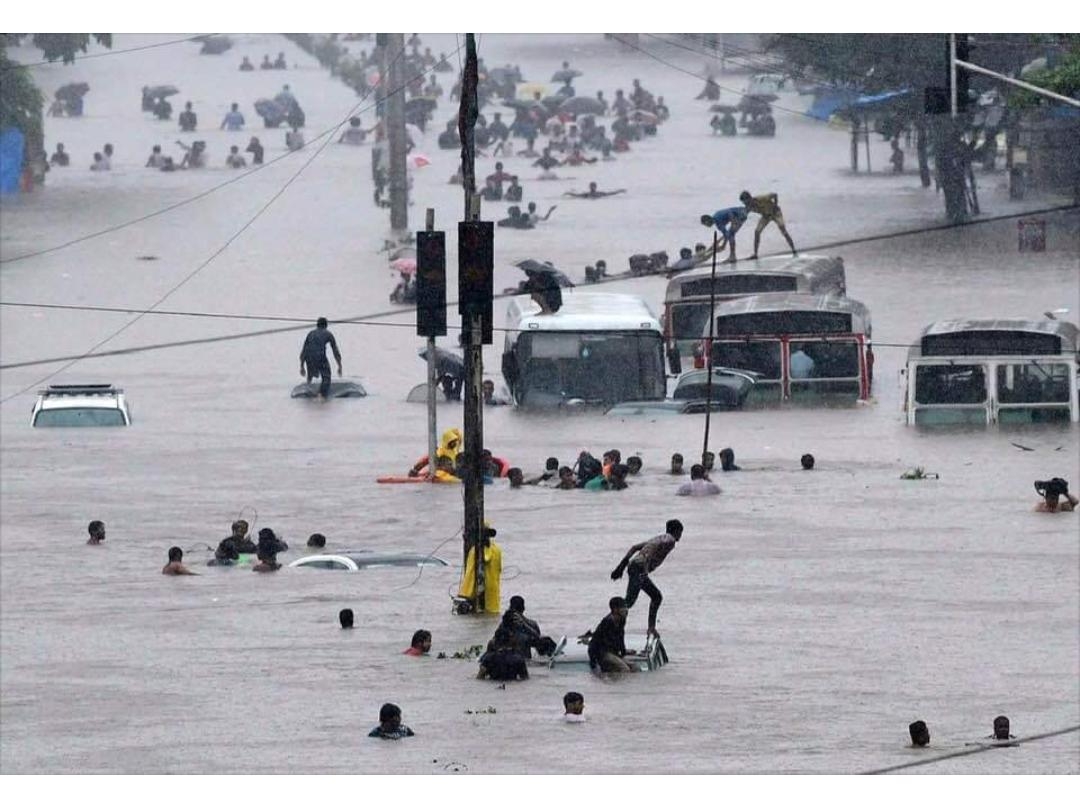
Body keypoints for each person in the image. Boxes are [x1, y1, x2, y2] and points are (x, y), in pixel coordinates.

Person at [609, 519, 683, 635]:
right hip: (639, 569)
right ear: (677, 531)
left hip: (635, 567)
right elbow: (650, 552)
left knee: (650, 598)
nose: (680, 536)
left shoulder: (658, 538)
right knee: (630, 602)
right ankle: (607, 626)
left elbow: (634, 547)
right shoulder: (670, 540)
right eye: (680, 532)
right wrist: (645, 569)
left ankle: (650, 628)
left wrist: (621, 566)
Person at [739, 190, 797, 259]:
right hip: (765, 216)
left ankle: (793, 249)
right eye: (744, 203)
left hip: (776, 213)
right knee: (757, 232)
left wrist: (775, 205)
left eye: (746, 202)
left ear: (750, 198)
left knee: (783, 229)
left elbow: (775, 194)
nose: (746, 204)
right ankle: (755, 254)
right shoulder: (748, 207)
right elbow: (744, 215)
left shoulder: (761, 198)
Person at [457, 526, 502, 613]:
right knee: (492, 612)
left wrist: (465, 593)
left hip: (480, 589)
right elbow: (499, 569)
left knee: (480, 612)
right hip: (493, 587)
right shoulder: (497, 550)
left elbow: (470, 573)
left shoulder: (476, 550)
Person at [299, 317, 343, 400]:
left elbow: (304, 350)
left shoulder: (310, 333)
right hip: (320, 356)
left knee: (310, 375)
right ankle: (321, 396)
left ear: (317, 325)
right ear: (326, 325)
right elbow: (335, 351)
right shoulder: (328, 334)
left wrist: (302, 366)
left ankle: (307, 390)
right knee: (326, 377)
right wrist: (339, 366)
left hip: (309, 357)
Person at [587, 596, 631, 673]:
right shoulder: (607, 622)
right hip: (603, 653)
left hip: (613, 653)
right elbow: (594, 642)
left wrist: (624, 652)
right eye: (623, 608)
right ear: (615, 609)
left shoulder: (622, 620)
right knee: (625, 669)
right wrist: (593, 663)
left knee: (635, 667)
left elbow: (621, 637)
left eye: (626, 607)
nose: (626, 610)